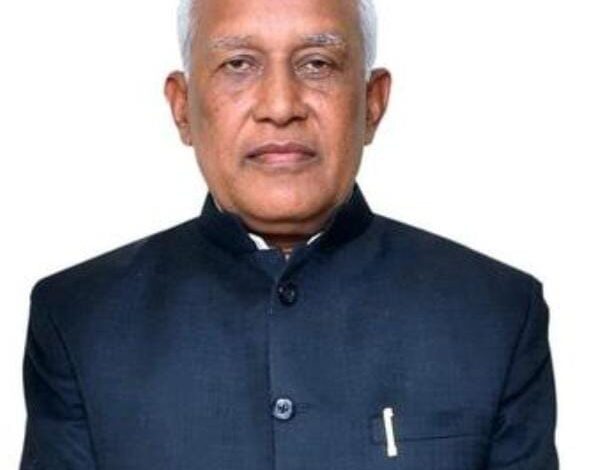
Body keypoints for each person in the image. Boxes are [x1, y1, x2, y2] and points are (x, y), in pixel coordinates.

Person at [19, 0, 558, 468]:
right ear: (182, 107)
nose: (280, 106)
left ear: (372, 102)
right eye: (238, 64)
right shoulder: (81, 321)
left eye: (317, 64)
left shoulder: (494, 314)